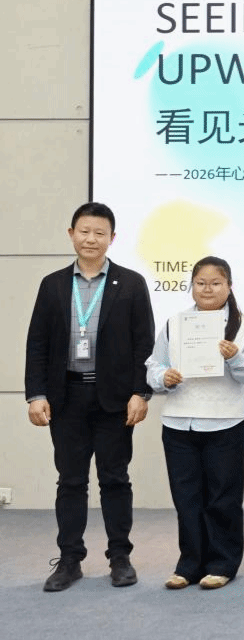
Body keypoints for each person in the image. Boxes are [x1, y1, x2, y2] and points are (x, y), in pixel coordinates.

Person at [25, 202, 156, 592]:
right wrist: (36, 394)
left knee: (115, 479)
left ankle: (120, 558)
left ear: (112, 238)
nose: (91, 239)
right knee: (70, 481)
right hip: (66, 398)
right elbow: (37, 344)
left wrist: (141, 392)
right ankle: (69, 560)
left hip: (114, 399)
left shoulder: (131, 283)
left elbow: (144, 344)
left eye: (100, 233)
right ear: (71, 234)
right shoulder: (52, 284)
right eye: (84, 231)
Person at [145, 256, 244, 590]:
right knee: (186, 498)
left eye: (216, 283)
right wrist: (164, 377)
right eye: (201, 283)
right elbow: (154, 365)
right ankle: (189, 564)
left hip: (226, 422)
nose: (208, 289)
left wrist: (235, 357)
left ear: (229, 286)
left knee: (223, 498)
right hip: (179, 422)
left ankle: (223, 563)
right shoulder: (175, 323)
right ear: (191, 286)